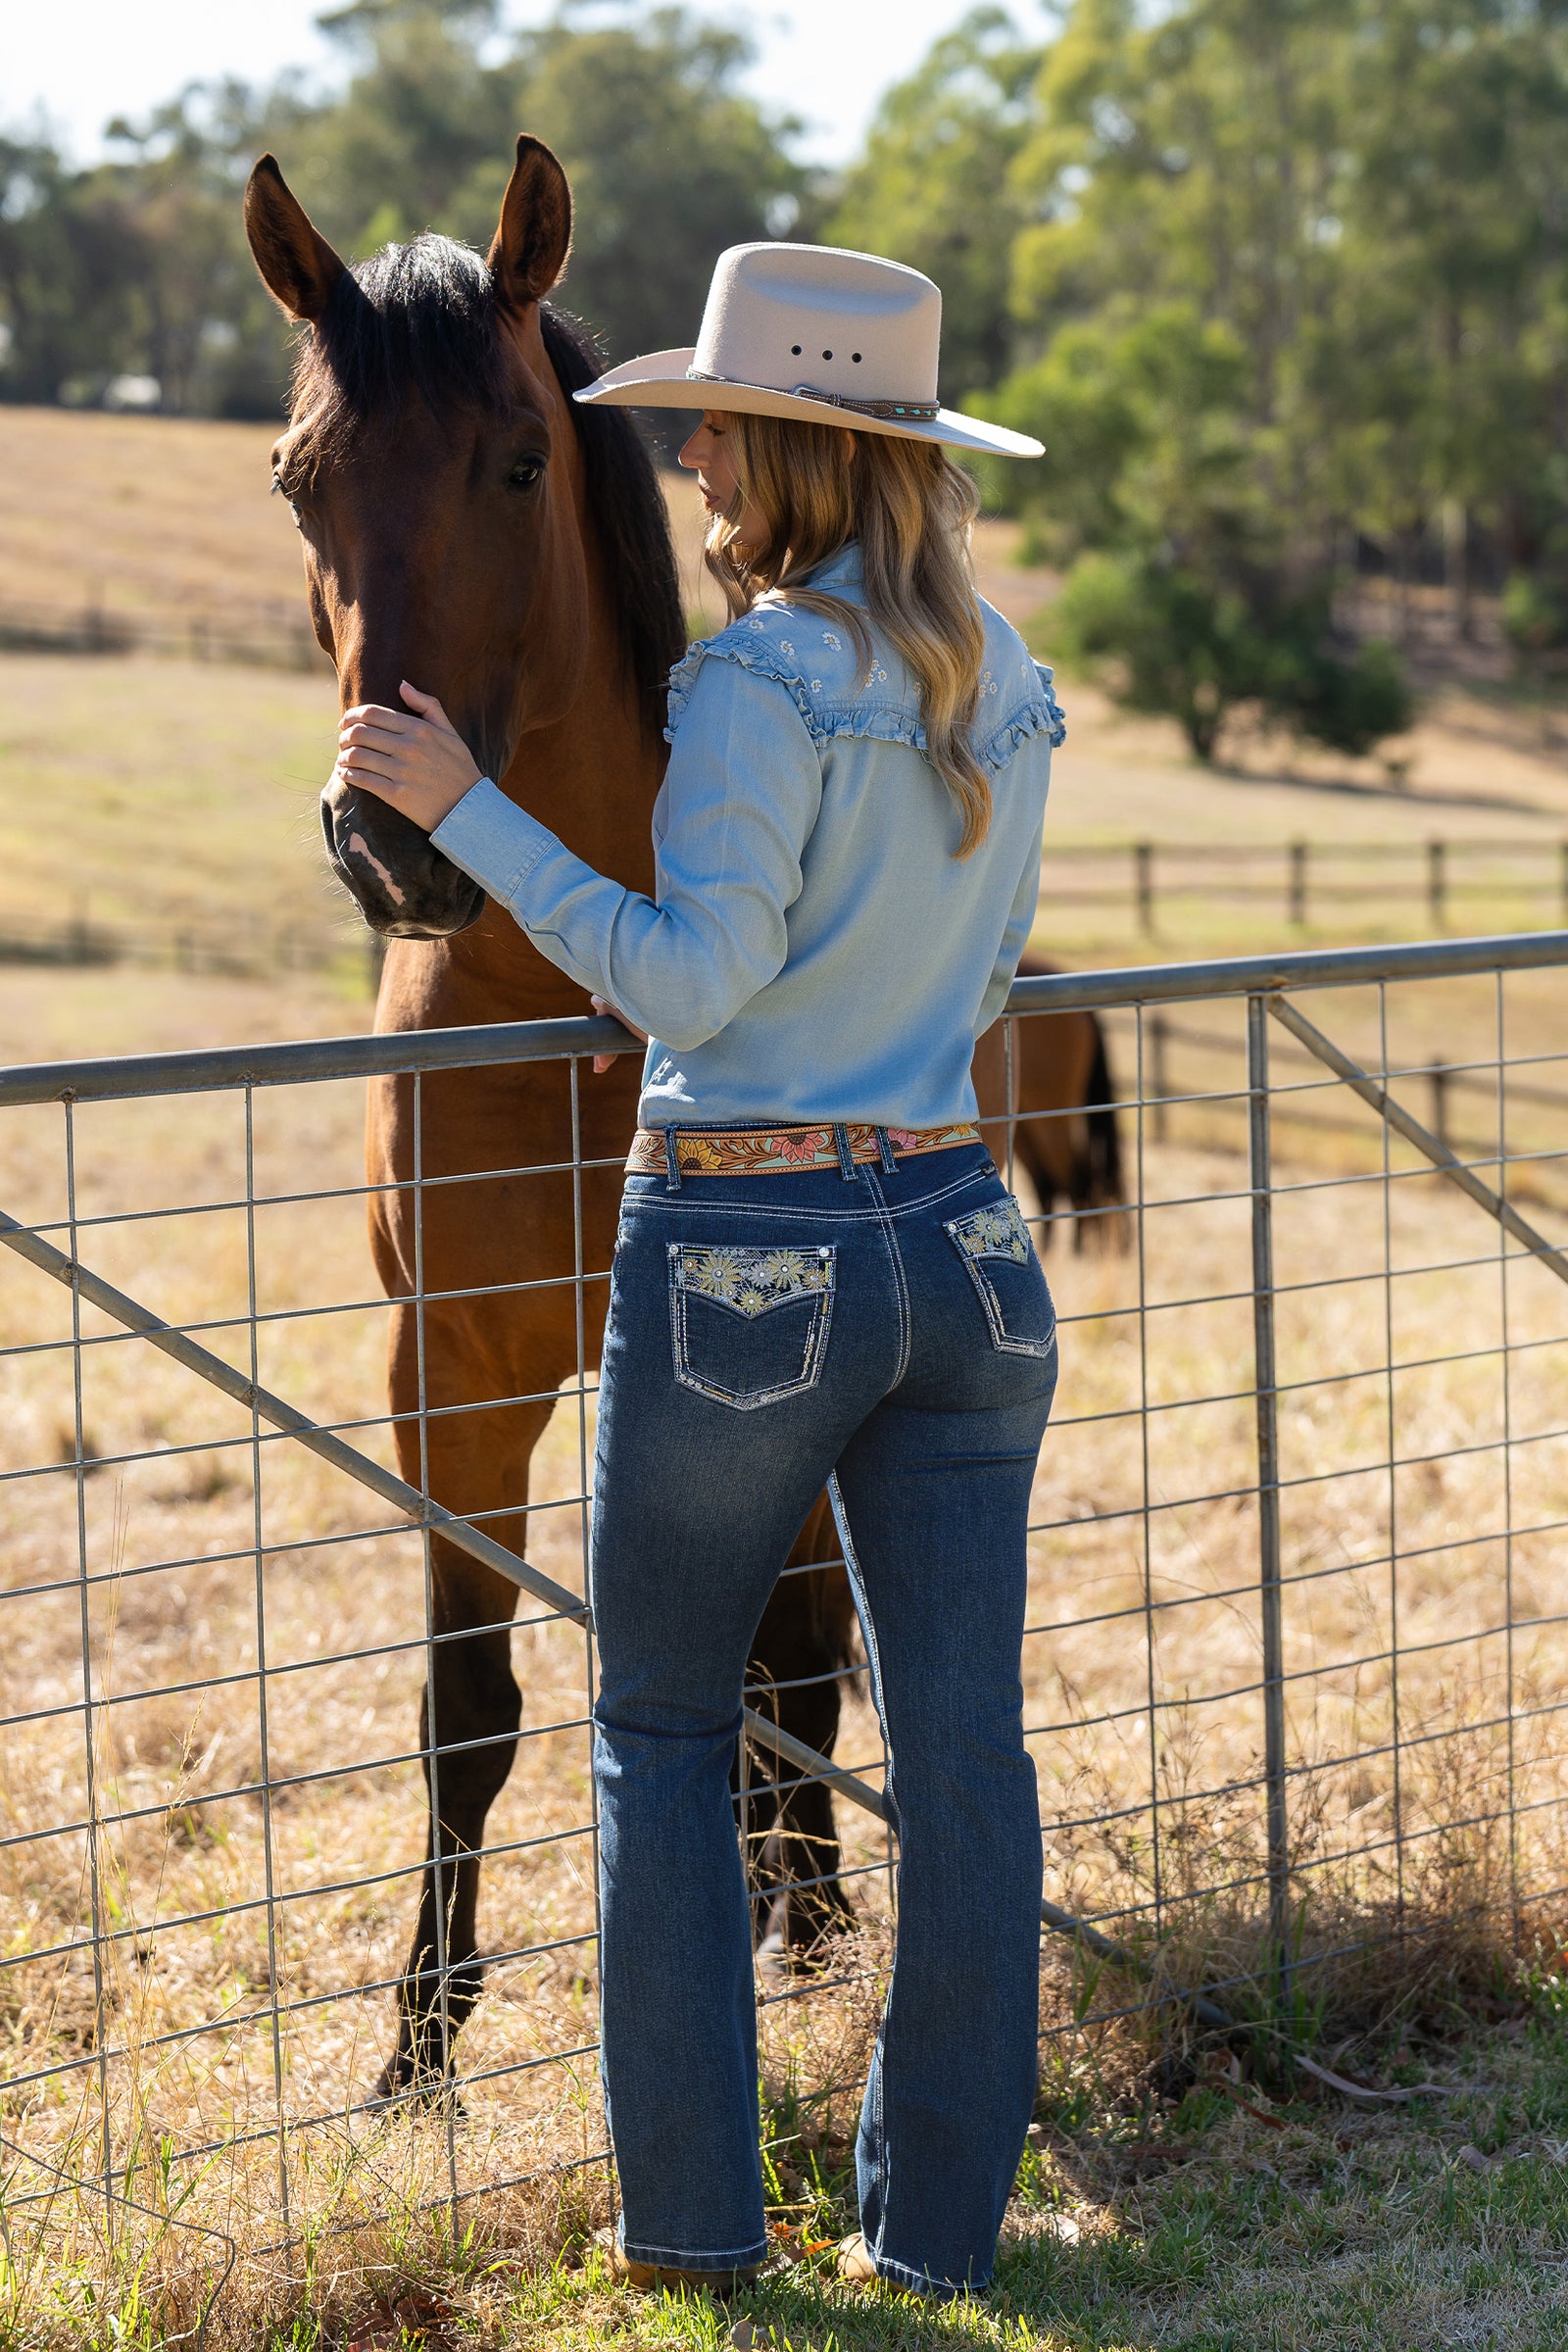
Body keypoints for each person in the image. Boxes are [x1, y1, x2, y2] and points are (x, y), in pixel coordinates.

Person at [334, 240, 1062, 2303]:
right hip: (963, 1248)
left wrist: (472, 811)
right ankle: (938, 2239)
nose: (696, 461)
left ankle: (697, 2240)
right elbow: (983, 971)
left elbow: (689, 974)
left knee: (654, 1734)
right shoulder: (994, 673)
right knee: (967, 1753)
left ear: (789, 452)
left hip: (758, 1249)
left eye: (717, 428)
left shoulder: (749, 683)